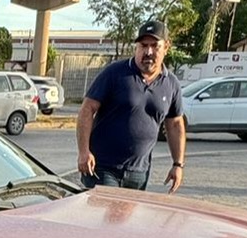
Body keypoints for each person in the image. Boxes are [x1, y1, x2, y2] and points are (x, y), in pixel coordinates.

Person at [76, 19, 186, 192]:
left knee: (128, 218)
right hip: (102, 167)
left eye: (154, 46)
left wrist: (178, 164)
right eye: (143, 46)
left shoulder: (171, 84)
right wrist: (84, 151)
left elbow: (175, 125)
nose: (148, 52)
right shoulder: (115, 73)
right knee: (106, 216)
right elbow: (87, 109)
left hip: (139, 172)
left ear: (166, 47)